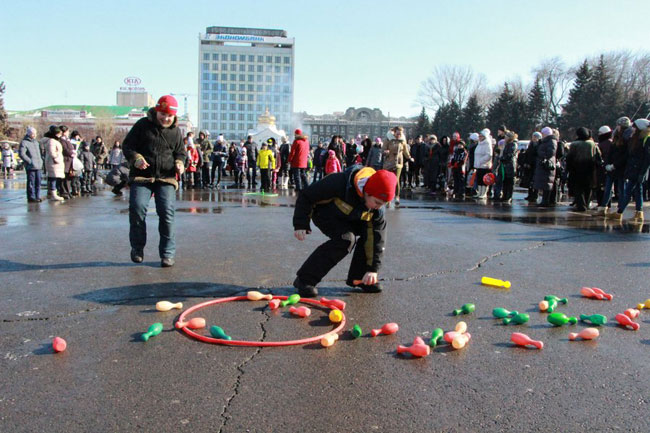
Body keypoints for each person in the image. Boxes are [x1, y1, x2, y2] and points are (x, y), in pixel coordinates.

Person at [292, 166, 397, 297]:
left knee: (369, 235)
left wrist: (372, 270)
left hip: (352, 218)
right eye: (377, 202)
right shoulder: (339, 182)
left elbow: (377, 238)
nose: (378, 207)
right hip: (326, 215)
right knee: (346, 240)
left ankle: (360, 279)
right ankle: (305, 280)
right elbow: (307, 196)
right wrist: (301, 224)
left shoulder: (377, 209)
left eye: (383, 204)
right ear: (366, 192)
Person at [122, 95, 186, 268]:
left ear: (174, 116)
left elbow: (181, 153)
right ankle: (137, 248)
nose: (165, 118)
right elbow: (127, 146)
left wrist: (180, 163)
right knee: (137, 209)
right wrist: (136, 158)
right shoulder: (142, 125)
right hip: (142, 177)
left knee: (166, 212)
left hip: (166, 178)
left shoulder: (175, 131)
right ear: (156, 111)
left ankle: (167, 253)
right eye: (162, 114)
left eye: (169, 116)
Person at [606, 118, 650, 222]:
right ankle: (638, 213)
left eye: (634, 127)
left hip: (638, 170)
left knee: (628, 191)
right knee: (637, 190)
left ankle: (619, 212)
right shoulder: (636, 138)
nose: (632, 129)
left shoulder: (646, 139)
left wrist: (642, 173)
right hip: (634, 169)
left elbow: (647, 159)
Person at [598, 119, 629, 216]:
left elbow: (625, 155)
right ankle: (604, 207)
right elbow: (610, 153)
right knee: (608, 188)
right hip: (612, 167)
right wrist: (607, 164)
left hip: (620, 167)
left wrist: (614, 165)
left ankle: (619, 209)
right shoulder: (614, 139)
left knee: (620, 189)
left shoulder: (626, 139)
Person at [566, 127, 601, 212]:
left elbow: (569, 157)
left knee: (578, 188)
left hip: (576, 169)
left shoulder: (574, 144)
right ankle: (586, 203)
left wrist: (568, 168)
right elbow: (598, 156)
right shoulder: (592, 144)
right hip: (590, 169)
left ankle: (581, 205)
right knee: (588, 188)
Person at [382, 126, 412, 206]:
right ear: (394, 132)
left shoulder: (402, 141)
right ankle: (388, 199)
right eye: (398, 133)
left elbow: (405, 151)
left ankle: (397, 197)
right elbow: (383, 149)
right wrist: (385, 151)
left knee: (396, 179)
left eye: (400, 133)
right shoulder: (388, 139)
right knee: (389, 181)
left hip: (398, 162)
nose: (399, 134)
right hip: (389, 162)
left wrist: (409, 157)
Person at [534, 127, 558, 207]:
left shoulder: (551, 141)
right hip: (543, 165)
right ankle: (544, 200)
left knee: (547, 184)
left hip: (547, 166)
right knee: (544, 183)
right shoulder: (545, 141)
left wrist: (540, 153)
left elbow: (550, 152)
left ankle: (546, 200)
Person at [19, 126, 44, 202]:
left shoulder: (36, 142)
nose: (35, 135)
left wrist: (41, 161)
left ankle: (37, 196)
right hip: (31, 166)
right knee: (31, 182)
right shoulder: (24, 142)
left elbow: (40, 153)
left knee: (38, 182)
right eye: (33, 134)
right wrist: (30, 161)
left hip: (38, 166)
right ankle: (31, 196)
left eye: (35, 133)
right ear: (29, 134)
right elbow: (22, 154)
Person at [44, 125, 65, 201]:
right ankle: (53, 194)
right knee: (53, 178)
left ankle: (53, 193)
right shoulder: (52, 141)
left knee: (55, 178)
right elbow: (52, 151)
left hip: (55, 162)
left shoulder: (54, 141)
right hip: (54, 162)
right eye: (59, 133)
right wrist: (56, 158)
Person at [498, 131, 518, 203]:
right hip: (505, 165)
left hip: (510, 166)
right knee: (505, 181)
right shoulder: (507, 144)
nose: (505, 138)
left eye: (506, 137)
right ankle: (504, 195)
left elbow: (510, 155)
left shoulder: (513, 144)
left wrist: (503, 158)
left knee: (510, 182)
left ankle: (509, 196)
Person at [473, 129, 493, 199]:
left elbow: (489, 155)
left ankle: (484, 193)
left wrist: (481, 161)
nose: (480, 138)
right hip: (478, 165)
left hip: (484, 165)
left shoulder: (487, 144)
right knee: (479, 179)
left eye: (481, 136)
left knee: (484, 179)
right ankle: (479, 192)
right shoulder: (479, 144)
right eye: (479, 136)